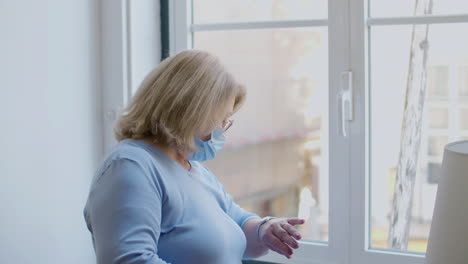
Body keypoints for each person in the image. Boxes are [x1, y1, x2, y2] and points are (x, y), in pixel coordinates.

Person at [83, 50, 305, 264]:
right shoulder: (130, 167)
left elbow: (236, 222)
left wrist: (264, 229)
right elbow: (130, 260)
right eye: (222, 119)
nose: (223, 130)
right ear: (190, 113)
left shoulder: (194, 170)